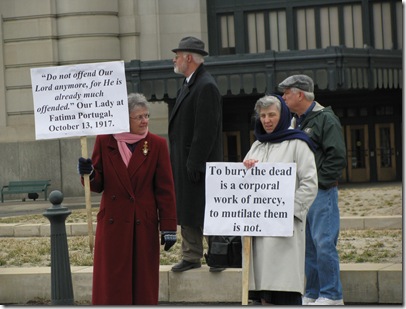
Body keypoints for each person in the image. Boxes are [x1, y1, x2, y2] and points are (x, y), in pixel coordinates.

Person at [77, 93, 177, 305]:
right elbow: (97, 185)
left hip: (143, 224)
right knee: (113, 285)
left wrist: (168, 227)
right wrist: (89, 173)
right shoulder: (105, 140)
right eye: (139, 117)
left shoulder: (157, 144)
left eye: (146, 116)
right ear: (125, 119)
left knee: (143, 285)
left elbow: (165, 189)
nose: (145, 121)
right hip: (114, 224)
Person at [243, 94, 318, 305]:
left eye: (271, 115)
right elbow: (244, 185)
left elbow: (309, 183)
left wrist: (289, 212)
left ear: (282, 115)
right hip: (259, 229)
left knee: (283, 289)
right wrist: (246, 169)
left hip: (285, 231)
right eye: (263, 115)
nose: (266, 120)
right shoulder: (257, 145)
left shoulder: (298, 143)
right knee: (262, 292)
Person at [279, 75, 347, 305]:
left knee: (324, 242)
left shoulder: (326, 119)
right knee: (308, 245)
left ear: (300, 94)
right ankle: (313, 292)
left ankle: (331, 294)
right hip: (303, 194)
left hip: (321, 193)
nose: (283, 97)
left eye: (287, 92)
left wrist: (317, 184)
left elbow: (336, 157)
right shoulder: (296, 121)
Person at [168, 36, 223, 272]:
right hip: (187, 162)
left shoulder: (206, 85)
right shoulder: (190, 83)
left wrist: (195, 161)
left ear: (188, 58)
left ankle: (218, 254)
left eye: (178, 55)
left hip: (199, 164)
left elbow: (206, 129)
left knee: (205, 208)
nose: (175, 59)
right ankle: (191, 256)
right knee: (189, 208)